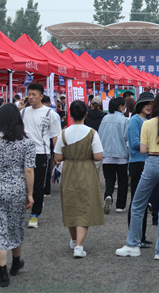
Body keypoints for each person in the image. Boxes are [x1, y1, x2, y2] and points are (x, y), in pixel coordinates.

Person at [116, 90, 159, 260]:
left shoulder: (147, 124)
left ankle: (133, 244)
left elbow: (143, 149)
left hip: (151, 162)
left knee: (138, 204)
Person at [0, 104, 35, 287]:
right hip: (17, 188)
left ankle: (3, 273)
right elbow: (29, 170)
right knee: (15, 225)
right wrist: (30, 194)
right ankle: (16, 262)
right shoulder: (27, 142)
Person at [55, 99, 104, 258]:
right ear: (85, 114)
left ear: (70, 114)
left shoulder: (63, 133)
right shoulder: (92, 133)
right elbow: (98, 156)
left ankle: (74, 240)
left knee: (70, 205)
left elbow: (58, 157)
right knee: (84, 206)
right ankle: (79, 246)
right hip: (86, 170)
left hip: (69, 170)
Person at [19, 82, 61, 229]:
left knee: (38, 185)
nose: (30, 97)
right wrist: (18, 109)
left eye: (34, 94)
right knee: (22, 184)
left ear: (41, 96)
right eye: (29, 94)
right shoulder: (23, 112)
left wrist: (57, 155)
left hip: (42, 153)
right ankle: (22, 211)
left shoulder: (50, 113)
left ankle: (35, 214)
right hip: (24, 152)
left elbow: (55, 136)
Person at [126, 92, 154, 247]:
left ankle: (141, 236)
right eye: (146, 103)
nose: (149, 106)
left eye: (151, 104)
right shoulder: (135, 120)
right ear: (139, 105)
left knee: (143, 201)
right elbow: (135, 143)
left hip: (147, 162)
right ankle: (135, 236)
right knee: (137, 201)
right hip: (137, 163)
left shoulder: (148, 120)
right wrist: (155, 146)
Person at [98, 96, 130, 214]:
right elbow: (126, 137)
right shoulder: (124, 120)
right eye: (124, 106)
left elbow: (100, 135)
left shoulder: (105, 118)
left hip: (106, 154)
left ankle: (108, 195)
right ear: (120, 107)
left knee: (109, 179)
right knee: (122, 181)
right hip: (121, 154)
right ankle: (120, 206)